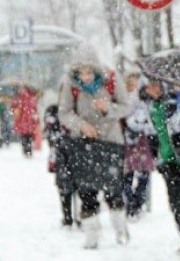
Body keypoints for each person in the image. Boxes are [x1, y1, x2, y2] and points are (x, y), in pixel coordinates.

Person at [58, 42, 131, 249]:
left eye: (90, 71)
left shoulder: (112, 80)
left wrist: (108, 108)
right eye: (82, 72)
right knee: (86, 189)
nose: (86, 76)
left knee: (113, 189)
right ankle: (92, 233)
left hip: (110, 141)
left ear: (96, 69)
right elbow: (64, 113)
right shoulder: (70, 85)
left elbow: (126, 107)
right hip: (83, 143)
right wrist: (81, 125)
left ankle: (120, 227)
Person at [139, 78, 180, 253]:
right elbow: (151, 133)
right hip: (167, 161)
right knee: (176, 202)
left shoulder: (178, 100)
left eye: (156, 85)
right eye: (150, 87)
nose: (153, 90)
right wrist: (157, 157)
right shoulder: (150, 107)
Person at [122, 73, 155, 220]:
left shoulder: (144, 100)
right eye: (130, 84)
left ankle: (137, 202)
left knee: (143, 173)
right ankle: (131, 203)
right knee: (127, 174)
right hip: (126, 140)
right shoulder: (122, 99)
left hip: (142, 140)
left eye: (135, 84)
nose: (132, 87)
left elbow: (148, 119)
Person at [44, 104, 79, 228]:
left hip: (70, 152)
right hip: (68, 152)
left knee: (69, 186)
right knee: (69, 185)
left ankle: (71, 216)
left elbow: (50, 135)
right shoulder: (55, 111)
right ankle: (72, 216)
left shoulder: (55, 111)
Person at [10, 85, 39, 158]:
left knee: (24, 136)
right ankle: (28, 150)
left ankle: (26, 150)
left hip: (22, 121)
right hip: (29, 121)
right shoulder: (32, 98)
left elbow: (14, 107)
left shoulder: (19, 98)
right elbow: (34, 109)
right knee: (29, 136)